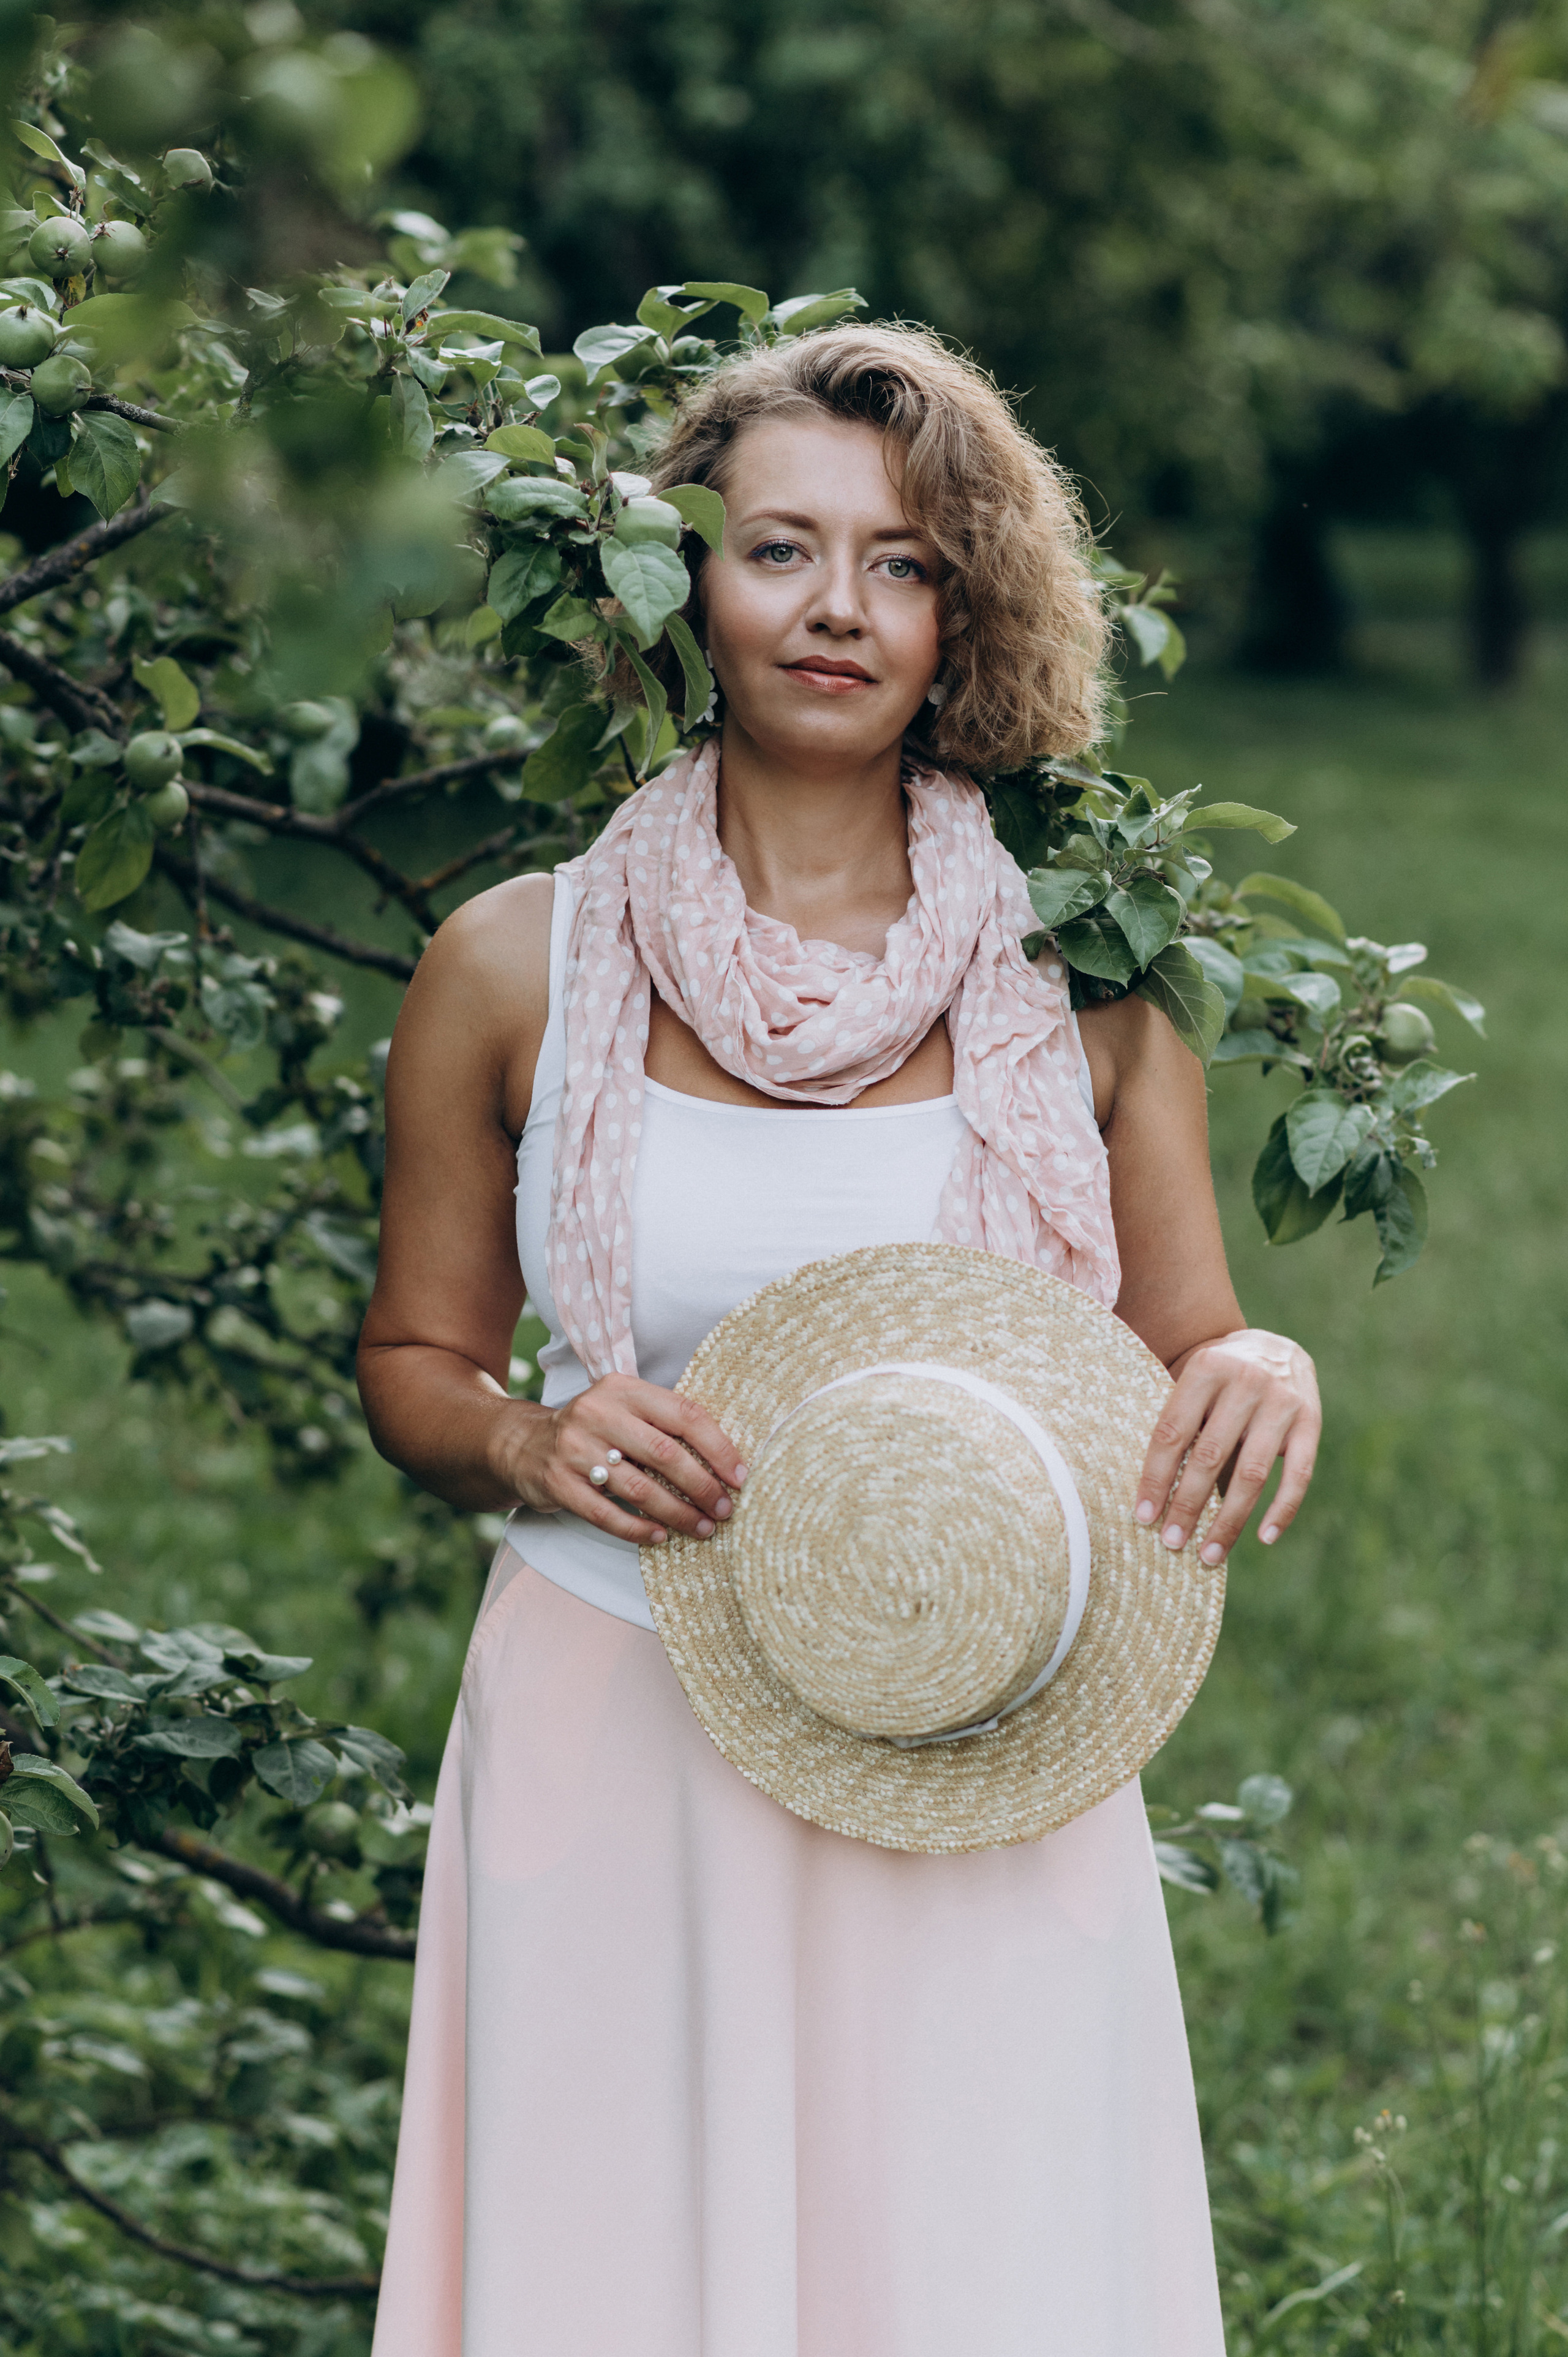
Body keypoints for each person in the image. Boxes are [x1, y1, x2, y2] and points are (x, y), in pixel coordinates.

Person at [358, 324, 1321, 2356]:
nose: (835, 609)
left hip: (982, 1731)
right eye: (778, 549)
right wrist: (529, 1446)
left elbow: (1188, 1343)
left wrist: (1269, 1370)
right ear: (675, 582)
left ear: (966, 610)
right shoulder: (514, 962)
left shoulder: (1090, 992)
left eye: (902, 562)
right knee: (618, 2278)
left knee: (985, 2270)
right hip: (617, 1710)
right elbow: (417, 1368)